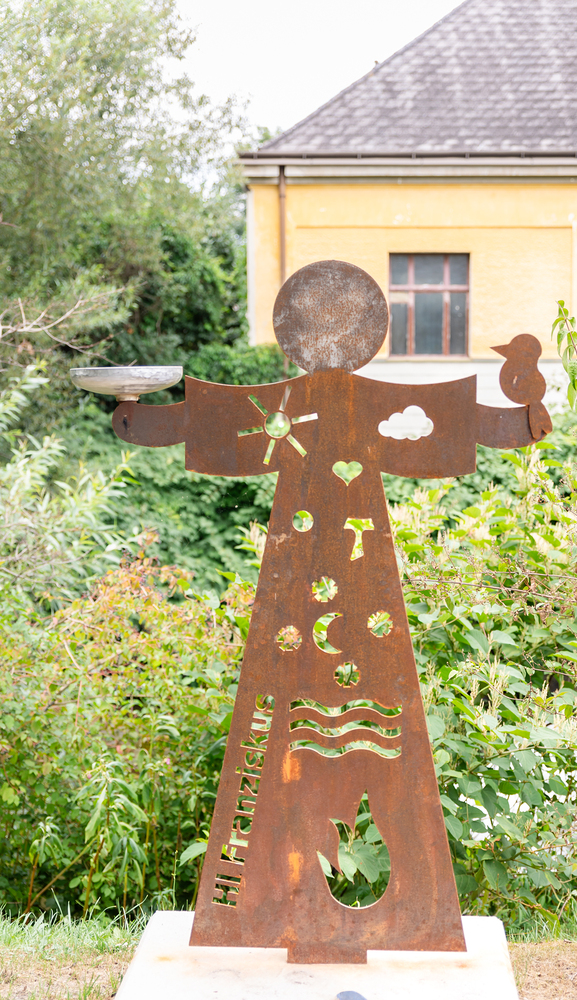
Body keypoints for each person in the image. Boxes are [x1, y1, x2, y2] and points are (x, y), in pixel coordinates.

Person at [113, 260, 550, 963]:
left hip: (329, 609)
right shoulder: (356, 402)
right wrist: (528, 409)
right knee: (310, 717)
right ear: (367, 334)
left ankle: (311, 911)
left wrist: (132, 414)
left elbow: (188, 422)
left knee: (315, 715)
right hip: (316, 608)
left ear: (294, 336)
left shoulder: (285, 405)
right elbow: (494, 426)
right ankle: (267, 910)